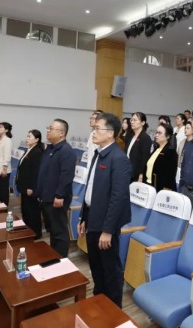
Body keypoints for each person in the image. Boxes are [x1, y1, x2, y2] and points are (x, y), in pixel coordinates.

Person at [77, 112, 131, 308]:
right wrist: (83, 217)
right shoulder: (98, 154)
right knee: (96, 266)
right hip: (92, 218)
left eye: (97, 128)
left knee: (110, 270)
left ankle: (114, 310)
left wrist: (108, 230)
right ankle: (99, 302)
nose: (93, 132)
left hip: (106, 224)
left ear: (110, 133)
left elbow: (118, 198)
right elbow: (90, 189)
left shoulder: (119, 158)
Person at [36, 119, 76, 257]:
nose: (48, 130)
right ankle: (54, 256)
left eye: (51, 128)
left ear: (61, 133)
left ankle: (61, 260)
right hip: (47, 196)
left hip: (56, 199)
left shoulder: (66, 151)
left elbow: (66, 176)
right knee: (53, 230)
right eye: (48, 127)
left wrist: (60, 195)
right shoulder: (50, 148)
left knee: (59, 231)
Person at [15, 129, 44, 239]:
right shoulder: (29, 150)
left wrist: (31, 187)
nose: (27, 139)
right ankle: (28, 231)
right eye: (27, 136)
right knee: (26, 210)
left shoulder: (37, 152)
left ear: (36, 139)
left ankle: (35, 233)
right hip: (24, 186)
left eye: (29, 137)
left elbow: (36, 172)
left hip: (30, 188)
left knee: (32, 211)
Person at [143, 123, 178, 191]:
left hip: (161, 188)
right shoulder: (156, 149)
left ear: (167, 136)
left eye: (159, 133)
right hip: (149, 185)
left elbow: (170, 175)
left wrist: (166, 189)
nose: (156, 135)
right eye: (156, 132)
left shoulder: (170, 152)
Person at [125, 112, 152, 183]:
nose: (132, 122)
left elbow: (145, 158)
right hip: (127, 170)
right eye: (131, 120)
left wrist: (141, 174)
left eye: (135, 120)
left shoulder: (145, 137)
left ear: (142, 122)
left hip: (137, 174)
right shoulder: (130, 136)